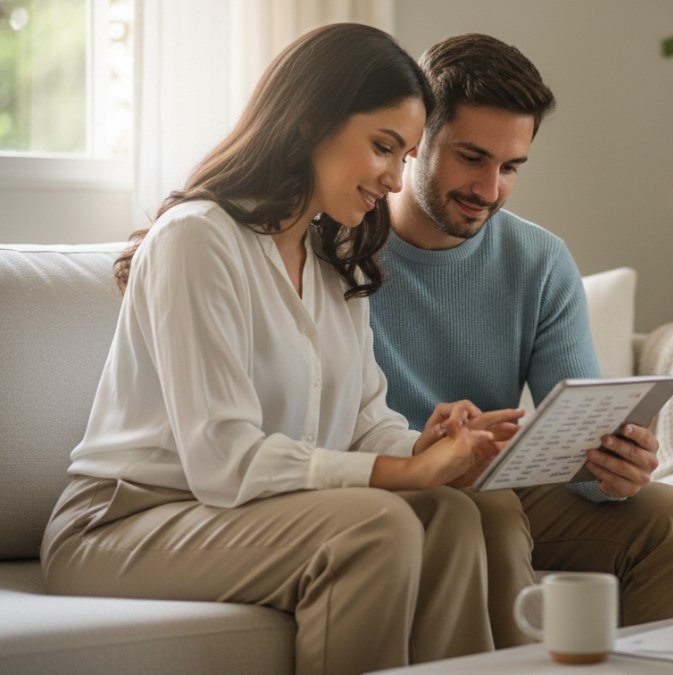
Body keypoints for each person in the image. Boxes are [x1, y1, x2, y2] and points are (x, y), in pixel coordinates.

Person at [40, 24, 521, 674]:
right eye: (383, 147)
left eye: (404, 155)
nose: (393, 177)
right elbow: (222, 460)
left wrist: (425, 447)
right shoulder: (197, 239)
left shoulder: (335, 257)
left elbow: (362, 425)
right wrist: (401, 474)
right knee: (378, 526)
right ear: (307, 123)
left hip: (235, 512)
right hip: (121, 522)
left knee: (452, 513)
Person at [370, 33, 673, 648]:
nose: (490, 189)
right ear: (417, 139)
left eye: (510, 167)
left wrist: (613, 465)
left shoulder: (539, 260)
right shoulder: (345, 241)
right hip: (390, 475)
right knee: (489, 512)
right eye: (471, 157)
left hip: (495, 477)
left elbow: (577, 441)